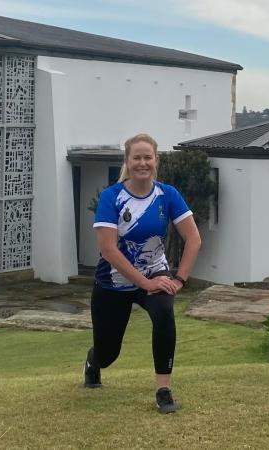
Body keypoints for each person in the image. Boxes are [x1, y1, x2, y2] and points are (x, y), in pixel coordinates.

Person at [83, 133, 201, 413]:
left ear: (156, 160)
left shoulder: (167, 195)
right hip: (113, 281)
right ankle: (93, 361)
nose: (142, 163)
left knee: (164, 316)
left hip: (155, 272)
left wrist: (179, 279)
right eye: (136, 157)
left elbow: (194, 239)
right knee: (108, 353)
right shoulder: (111, 197)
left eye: (148, 157)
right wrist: (144, 282)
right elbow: (108, 250)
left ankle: (163, 390)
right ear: (127, 161)